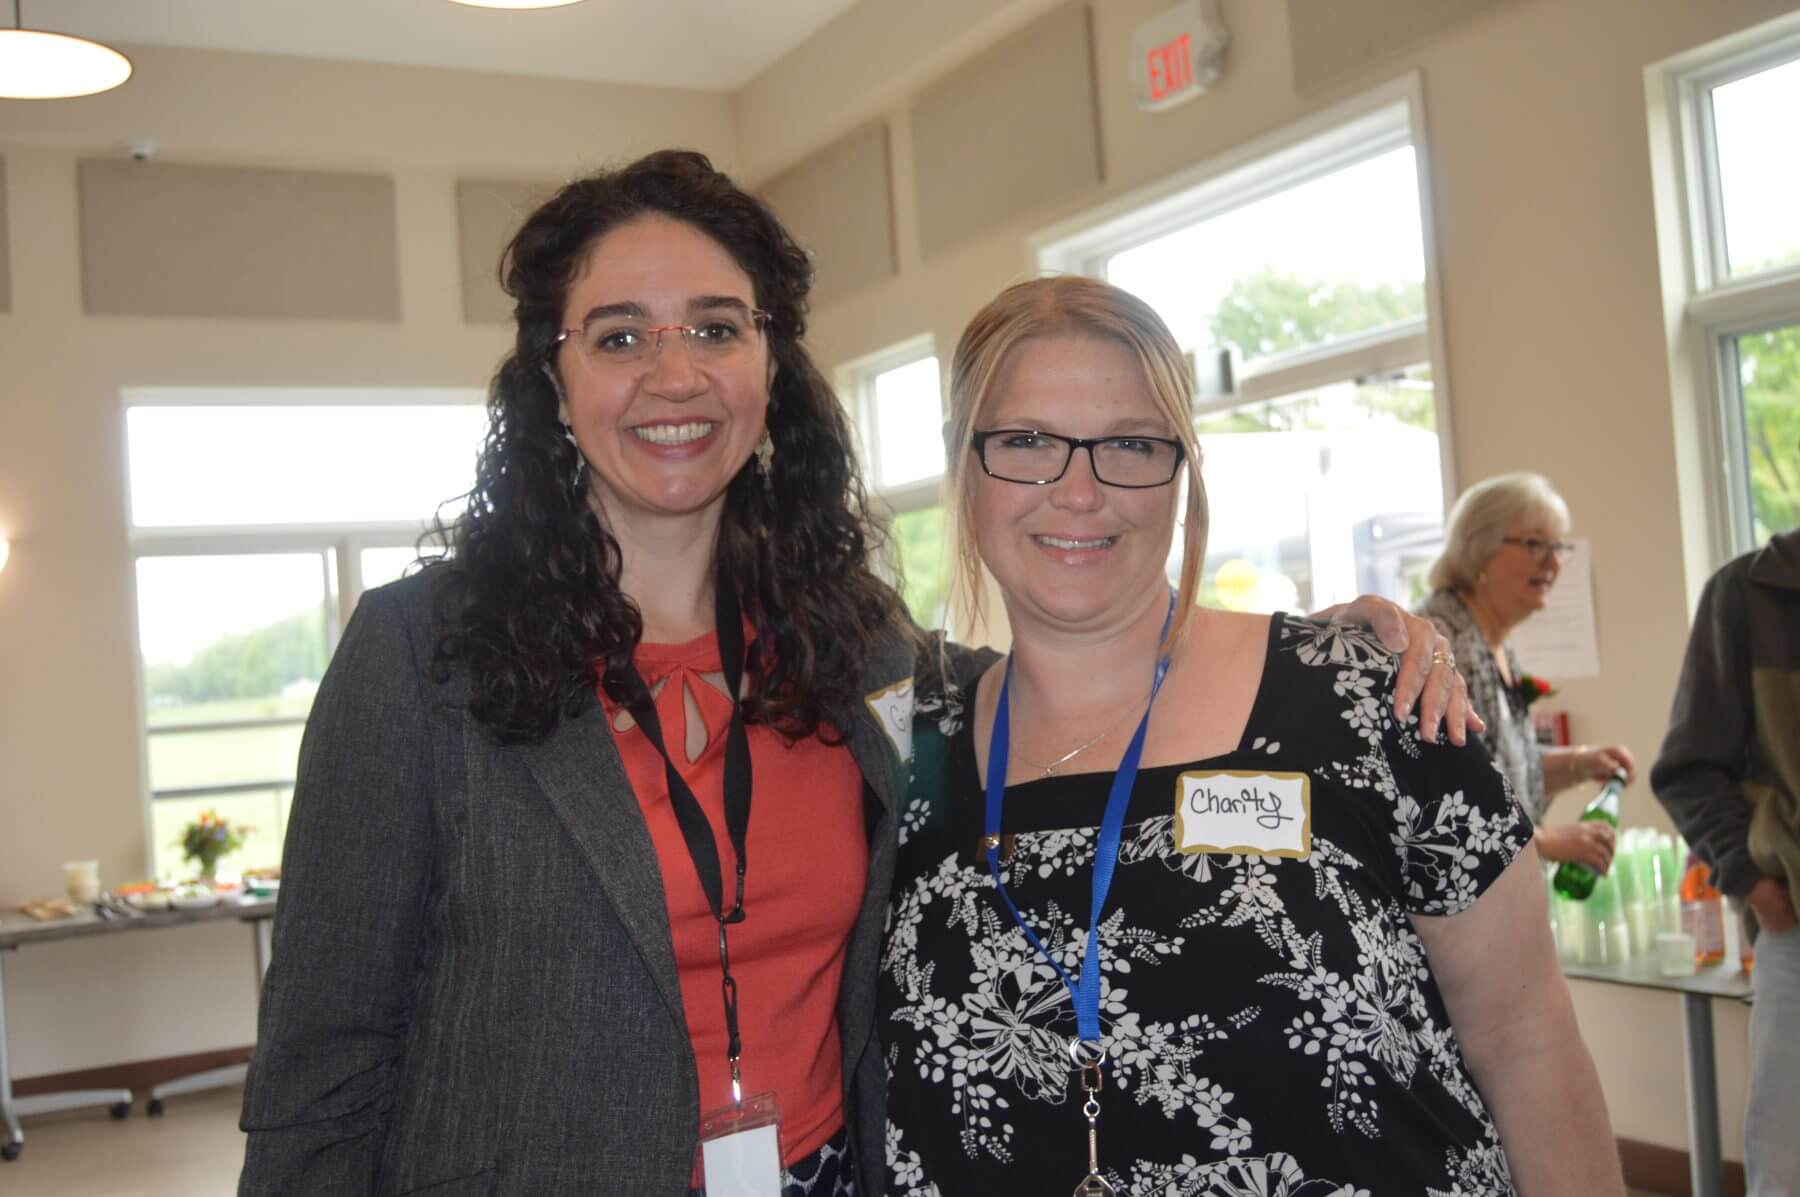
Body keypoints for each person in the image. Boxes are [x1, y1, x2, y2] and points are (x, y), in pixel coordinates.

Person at [237, 152, 1470, 1196]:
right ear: (554, 383)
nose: (675, 376)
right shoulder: (419, 656)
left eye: (716, 329)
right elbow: (321, 1067)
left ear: (770, 369)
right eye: (620, 337)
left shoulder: (853, 648)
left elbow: (1049, 692)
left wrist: (1307, 645)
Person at [881, 276, 1623, 1195]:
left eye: (1129, 444)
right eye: (1027, 441)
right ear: (966, 465)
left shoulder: (1361, 698)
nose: (1078, 489)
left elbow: (1528, 1042)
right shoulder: (908, 757)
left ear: (1181, 470)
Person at [1651, 525, 1800, 1196]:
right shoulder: (1746, 594)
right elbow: (1687, 769)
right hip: (1796, 926)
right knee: (1789, 1162)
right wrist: (1750, 879)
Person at [1415, 474, 1636, 876]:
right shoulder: (1442, 642)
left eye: (1557, 546)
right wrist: (1548, 842)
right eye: (1535, 544)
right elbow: (1446, 790)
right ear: (1479, 549)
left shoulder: (1493, 640)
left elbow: (1501, 769)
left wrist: (1581, 764)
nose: (1553, 562)